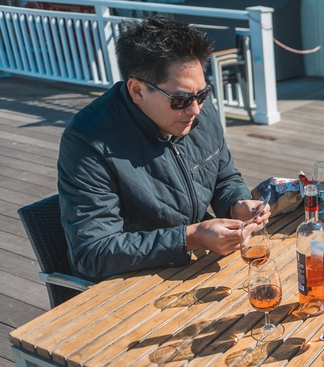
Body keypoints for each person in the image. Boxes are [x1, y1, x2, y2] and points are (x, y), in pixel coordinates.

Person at [58, 17, 267, 282]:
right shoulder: (88, 141)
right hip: (129, 285)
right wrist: (190, 237)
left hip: (194, 268)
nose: (195, 109)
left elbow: (223, 176)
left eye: (202, 94)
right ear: (137, 90)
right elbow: (92, 252)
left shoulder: (198, 106)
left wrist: (236, 205)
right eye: (180, 100)